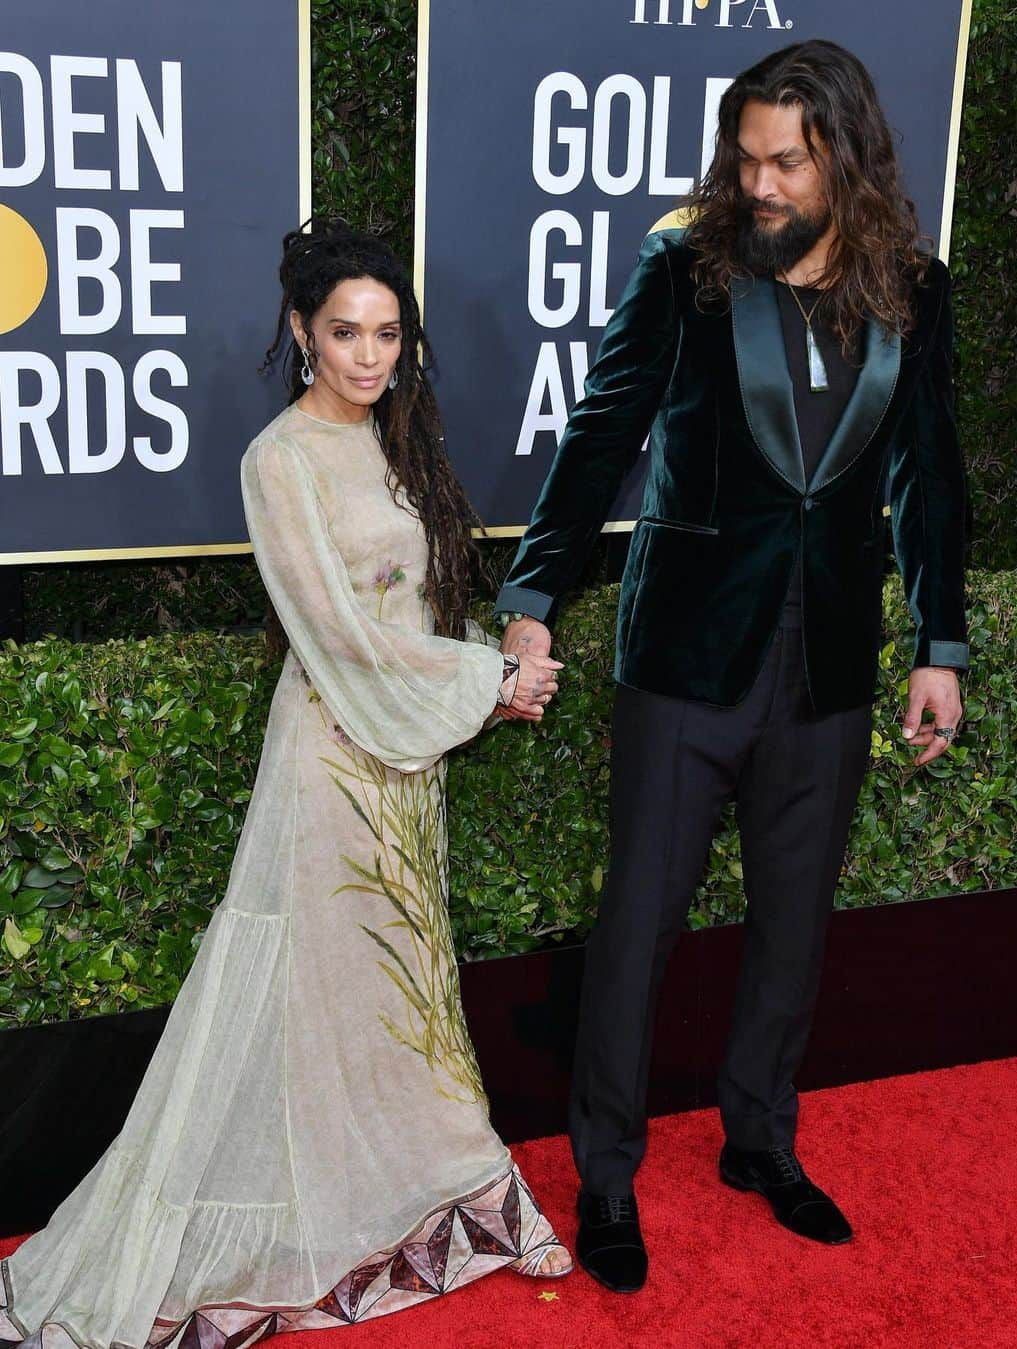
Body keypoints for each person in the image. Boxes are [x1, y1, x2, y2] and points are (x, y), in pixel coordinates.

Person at [0, 222, 570, 1349]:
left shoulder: (400, 442)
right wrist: (491, 675)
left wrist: (493, 665)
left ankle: (461, 1193)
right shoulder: (279, 459)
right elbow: (341, 634)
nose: (369, 356)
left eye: (388, 333)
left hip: (407, 762)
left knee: (407, 991)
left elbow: (410, 609)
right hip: (328, 763)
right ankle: (323, 1211)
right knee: (311, 1000)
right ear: (302, 332)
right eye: (346, 332)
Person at [494, 40, 967, 1294]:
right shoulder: (686, 269)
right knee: (639, 924)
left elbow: (931, 476)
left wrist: (942, 642)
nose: (757, 184)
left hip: (827, 662)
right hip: (686, 657)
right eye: (745, 157)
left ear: (844, 159)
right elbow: (601, 432)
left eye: (784, 162)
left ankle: (761, 1138)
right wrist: (536, 592)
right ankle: (606, 1172)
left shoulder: (912, 289)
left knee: (793, 928)